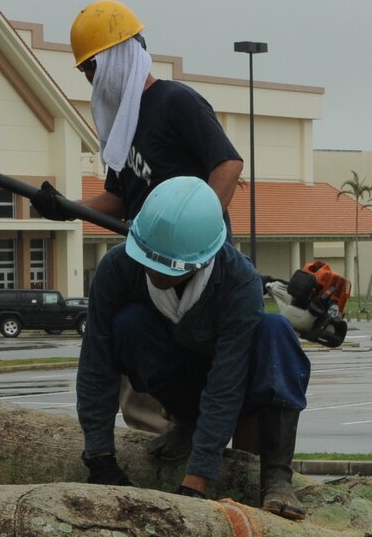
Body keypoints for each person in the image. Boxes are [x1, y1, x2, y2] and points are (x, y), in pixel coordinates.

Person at [75, 176, 309, 518]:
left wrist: (196, 482)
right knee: (129, 323)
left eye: (166, 267)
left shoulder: (238, 283)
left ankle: (277, 476)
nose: (153, 271)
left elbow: (226, 384)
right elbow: (96, 362)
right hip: (179, 382)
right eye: (148, 260)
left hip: (237, 387)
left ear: (199, 260)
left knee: (277, 331)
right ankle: (186, 422)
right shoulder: (117, 269)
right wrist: (99, 460)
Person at [29, 0, 243, 225]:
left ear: (120, 55)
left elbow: (228, 165)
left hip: (195, 256)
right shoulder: (120, 121)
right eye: (83, 68)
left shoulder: (176, 100)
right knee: (111, 262)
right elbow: (119, 201)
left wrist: (194, 228)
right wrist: (67, 208)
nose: (90, 76)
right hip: (148, 251)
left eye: (92, 65)